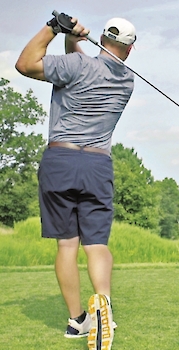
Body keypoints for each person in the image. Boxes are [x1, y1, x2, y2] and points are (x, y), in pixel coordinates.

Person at [15, 12, 136, 350]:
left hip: (60, 160)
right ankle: (104, 309)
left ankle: (78, 319)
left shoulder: (76, 68)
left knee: (67, 244)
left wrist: (56, 28)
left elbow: (25, 64)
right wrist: (74, 40)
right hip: (97, 165)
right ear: (130, 49)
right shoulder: (126, 81)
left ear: (103, 37)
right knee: (96, 244)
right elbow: (80, 64)